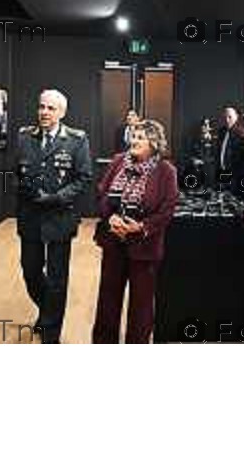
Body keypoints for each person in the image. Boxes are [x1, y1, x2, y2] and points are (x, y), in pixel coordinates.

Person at [16, 89, 92, 343]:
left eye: (50, 108)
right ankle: (47, 310)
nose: (44, 112)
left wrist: (57, 197)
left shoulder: (76, 139)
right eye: (41, 107)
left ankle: (51, 332)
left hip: (60, 216)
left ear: (62, 112)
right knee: (30, 271)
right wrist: (26, 188)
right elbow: (16, 171)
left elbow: (83, 178)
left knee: (58, 278)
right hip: (30, 215)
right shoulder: (24, 137)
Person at [93, 120, 178, 343]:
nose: (134, 141)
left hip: (144, 247)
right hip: (113, 242)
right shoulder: (118, 161)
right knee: (107, 301)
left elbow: (167, 209)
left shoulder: (166, 170)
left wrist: (140, 227)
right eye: (133, 136)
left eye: (140, 137)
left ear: (154, 142)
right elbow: (102, 192)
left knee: (141, 306)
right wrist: (109, 217)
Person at [216, 107, 244, 183]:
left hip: (235, 174)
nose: (227, 120)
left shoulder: (240, 134)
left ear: (237, 117)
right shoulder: (221, 132)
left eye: (230, 117)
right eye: (224, 117)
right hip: (221, 171)